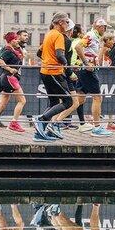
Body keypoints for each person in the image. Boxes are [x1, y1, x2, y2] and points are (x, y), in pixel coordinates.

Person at [34, 13, 74, 141]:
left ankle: (41, 133)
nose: (68, 25)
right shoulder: (58, 35)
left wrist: (47, 60)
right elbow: (59, 55)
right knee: (69, 101)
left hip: (45, 71)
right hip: (54, 72)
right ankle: (42, 119)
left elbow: (39, 52)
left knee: (54, 102)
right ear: (61, 22)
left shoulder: (49, 34)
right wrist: (66, 65)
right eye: (67, 22)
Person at [0, 31, 27, 135]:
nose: (18, 41)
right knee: (22, 100)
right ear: (11, 40)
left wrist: (19, 48)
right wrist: (10, 69)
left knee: (2, 104)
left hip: (5, 78)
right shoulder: (7, 50)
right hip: (10, 78)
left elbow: (22, 56)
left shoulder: (12, 49)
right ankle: (13, 123)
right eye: (16, 39)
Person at [75, 18, 112, 136]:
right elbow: (78, 47)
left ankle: (55, 121)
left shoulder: (94, 36)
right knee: (97, 97)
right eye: (105, 27)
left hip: (83, 70)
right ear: (100, 27)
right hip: (87, 71)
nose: (105, 30)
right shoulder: (91, 35)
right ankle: (97, 127)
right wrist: (86, 63)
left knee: (80, 99)